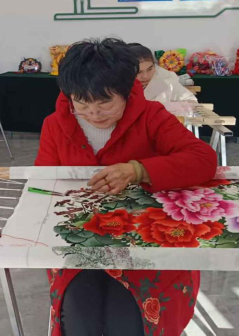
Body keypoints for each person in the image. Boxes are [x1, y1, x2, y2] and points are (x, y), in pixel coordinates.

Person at [35, 39, 218, 336]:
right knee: (80, 320)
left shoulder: (151, 116)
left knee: (130, 321)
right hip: (80, 242)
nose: (94, 114)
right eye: (81, 103)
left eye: (105, 103)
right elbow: (44, 184)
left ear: (125, 91)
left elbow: (203, 159)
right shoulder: (55, 125)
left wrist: (139, 170)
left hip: (148, 238)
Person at [128, 43, 197, 103]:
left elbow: (190, 100)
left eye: (150, 69)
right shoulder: (122, 84)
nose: (145, 76)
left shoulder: (167, 79)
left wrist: (167, 108)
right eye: (139, 72)